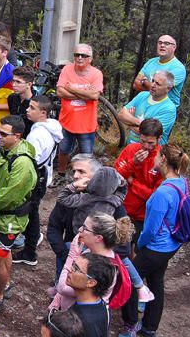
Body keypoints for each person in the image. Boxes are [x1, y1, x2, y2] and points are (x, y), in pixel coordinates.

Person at [119, 143, 190, 337]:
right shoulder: (181, 182)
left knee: (130, 280)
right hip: (171, 244)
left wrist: (139, 245)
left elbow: (150, 229)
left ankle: (130, 323)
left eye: (158, 156)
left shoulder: (162, 193)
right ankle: (150, 327)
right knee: (156, 282)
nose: (155, 158)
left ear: (164, 160)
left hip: (155, 247)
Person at [0, 115, 37, 315]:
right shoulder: (1, 150)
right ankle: (5, 284)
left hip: (10, 219)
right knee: (4, 252)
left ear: (17, 136)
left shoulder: (22, 163)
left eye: (3, 134)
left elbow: (11, 194)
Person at [26, 253, 116, 337]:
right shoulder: (97, 305)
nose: (70, 270)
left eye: (76, 269)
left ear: (91, 283)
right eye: (73, 265)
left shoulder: (82, 321)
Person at [16, 94, 64, 267]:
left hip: (37, 178)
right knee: (32, 210)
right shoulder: (51, 127)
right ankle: (31, 241)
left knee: (30, 211)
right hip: (44, 175)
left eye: (32, 108)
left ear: (43, 113)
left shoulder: (37, 136)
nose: (28, 110)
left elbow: (30, 161)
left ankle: (29, 251)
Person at [56, 43, 104, 174]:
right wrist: (84, 94)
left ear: (90, 58)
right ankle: (61, 173)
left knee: (87, 155)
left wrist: (71, 88)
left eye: (84, 55)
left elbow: (94, 96)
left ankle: (85, 178)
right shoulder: (67, 69)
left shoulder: (96, 74)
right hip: (67, 122)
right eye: (77, 55)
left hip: (86, 126)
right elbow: (60, 92)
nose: (80, 58)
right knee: (63, 150)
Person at [115, 118, 164, 227]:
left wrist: (132, 181)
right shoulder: (130, 149)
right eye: (142, 141)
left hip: (143, 217)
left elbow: (155, 196)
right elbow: (115, 178)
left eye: (150, 142)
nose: (146, 146)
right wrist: (133, 163)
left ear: (159, 138)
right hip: (120, 209)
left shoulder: (162, 160)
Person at [117, 70, 177, 144]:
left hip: (149, 152)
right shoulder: (142, 95)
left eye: (158, 84)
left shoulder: (168, 109)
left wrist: (129, 122)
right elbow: (121, 114)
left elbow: (150, 134)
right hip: (130, 147)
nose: (152, 85)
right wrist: (139, 122)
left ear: (168, 88)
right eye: (153, 81)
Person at [133, 34, 185, 106]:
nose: (162, 45)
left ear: (174, 47)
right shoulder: (150, 62)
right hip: (145, 105)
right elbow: (136, 84)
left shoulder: (178, 68)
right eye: (160, 43)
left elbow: (161, 91)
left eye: (166, 43)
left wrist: (144, 81)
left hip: (164, 110)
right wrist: (155, 89)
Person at [8, 66, 36, 136]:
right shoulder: (11, 98)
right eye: (13, 81)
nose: (14, 85)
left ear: (29, 84)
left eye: (18, 82)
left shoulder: (37, 102)